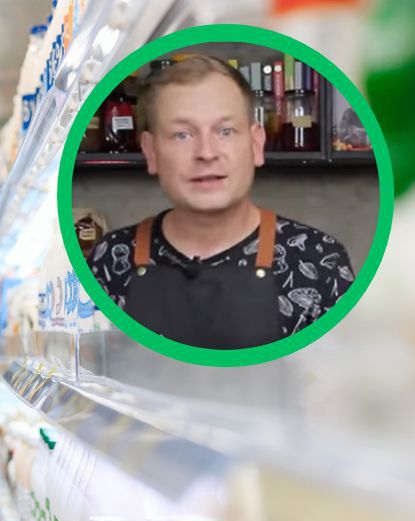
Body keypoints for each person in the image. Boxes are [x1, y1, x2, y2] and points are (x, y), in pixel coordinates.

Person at [87, 55, 355, 350]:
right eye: (182, 135)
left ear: (256, 144)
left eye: (225, 131)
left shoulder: (318, 262)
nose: (206, 153)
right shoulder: (107, 261)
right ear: (151, 152)